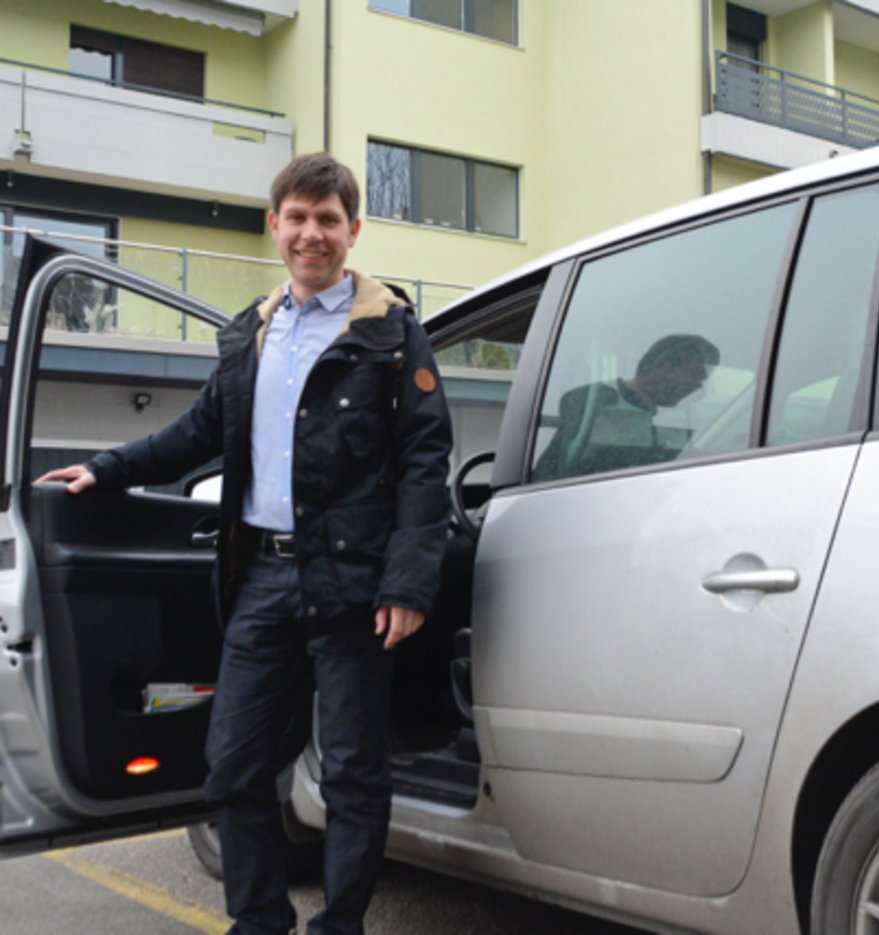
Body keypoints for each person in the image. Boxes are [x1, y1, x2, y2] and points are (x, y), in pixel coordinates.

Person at [37, 152, 452, 935]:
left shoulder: (392, 336)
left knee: (354, 776)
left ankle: (340, 925)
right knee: (231, 768)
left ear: (352, 230)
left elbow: (425, 461)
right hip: (262, 576)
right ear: (275, 226)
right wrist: (105, 468)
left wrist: (408, 580)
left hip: (354, 586)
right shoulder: (250, 335)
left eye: (328, 220)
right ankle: (259, 919)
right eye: (297, 218)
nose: (311, 234)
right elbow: (198, 432)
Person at [533, 333, 719, 480]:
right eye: (695, 374)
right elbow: (608, 461)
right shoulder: (597, 399)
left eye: (703, 379)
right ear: (662, 364)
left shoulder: (662, 415)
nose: (699, 385)